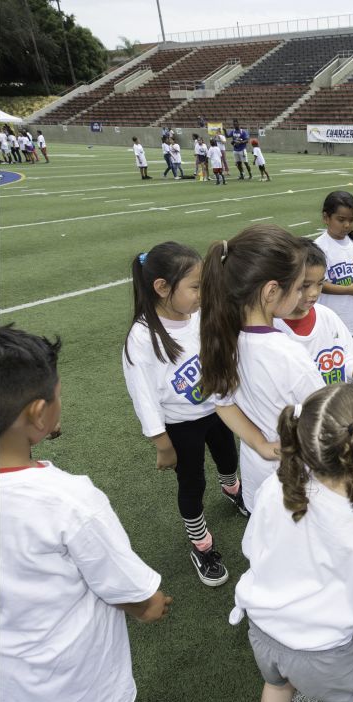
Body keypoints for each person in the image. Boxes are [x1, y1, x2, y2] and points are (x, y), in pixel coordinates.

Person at [0, 325, 172, 702]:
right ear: (38, 413)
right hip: (76, 691)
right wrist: (150, 604)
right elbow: (131, 590)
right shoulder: (68, 500)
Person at [230, 383, 353, 702]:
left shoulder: (276, 486)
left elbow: (253, 547)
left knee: (276, 686)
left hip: (263, 631)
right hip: (325, 651)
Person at [122, 242, 255, 583]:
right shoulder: (142, 337)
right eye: (195, 287)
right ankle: (201, 542)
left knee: (228, 458)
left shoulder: (197, 316)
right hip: (181, 426)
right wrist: (162, 444)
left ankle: (232, 489)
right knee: (192, 482)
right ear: (162, 288)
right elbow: (144, 396)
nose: (201, 294)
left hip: (217, 411)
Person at [199, 224, 326, 514]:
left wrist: (259, 443)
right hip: (299, 485)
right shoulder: (288, 355)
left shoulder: (222, 337)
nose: (302, 295)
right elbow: (326, 421)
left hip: (259, 475)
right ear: (271, 291)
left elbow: (222, 403)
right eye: (298, 287)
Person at [275, 241, 353, 388]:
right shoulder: (273, 329)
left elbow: (346, 359)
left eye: (320, 283)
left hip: (335, 405)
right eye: (305, 285)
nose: (313, 293)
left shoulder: (327, 316)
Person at [314, 191, 353, 355]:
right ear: (326, 217)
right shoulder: (320, 247)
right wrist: (349, 290)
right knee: (336, 365)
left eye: (351, 220)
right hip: (332, 321)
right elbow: (318, 284)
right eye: (341, 220)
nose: (347, 225)